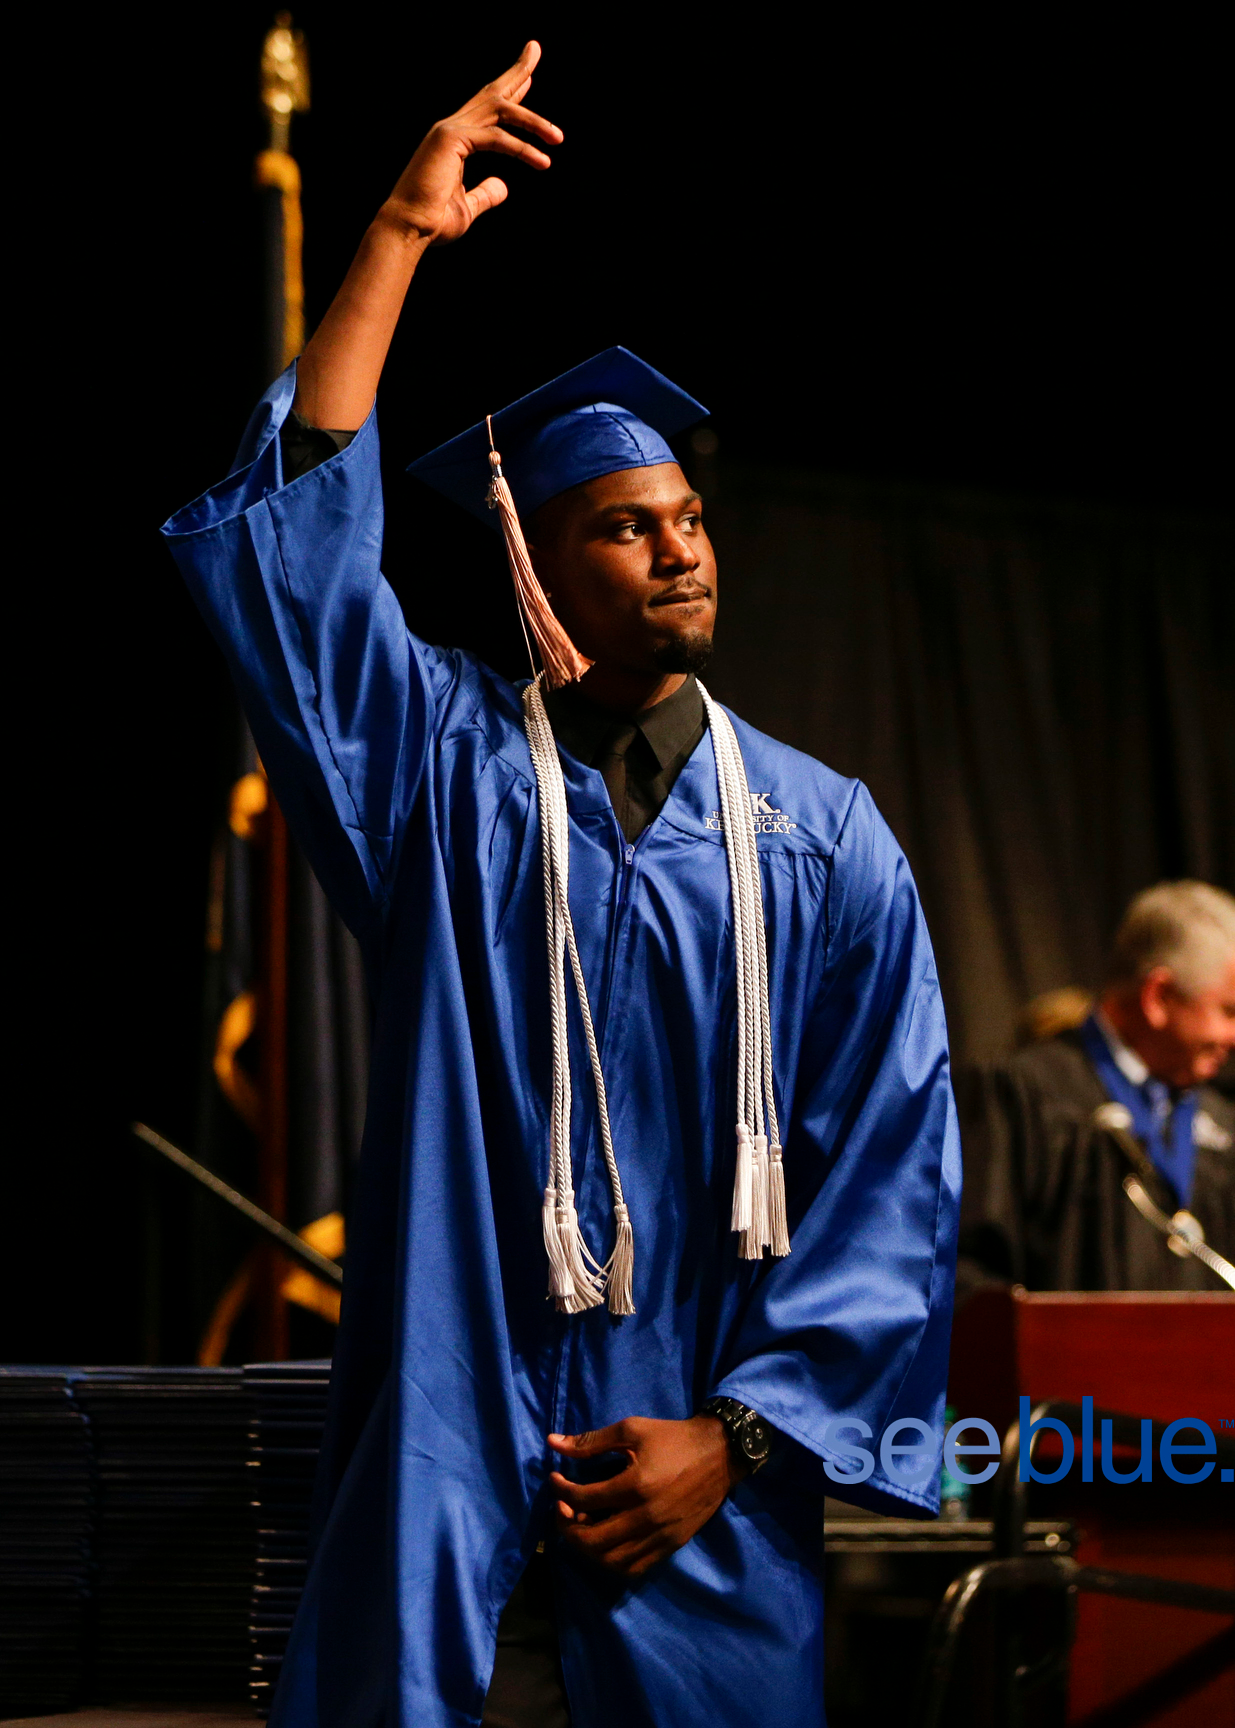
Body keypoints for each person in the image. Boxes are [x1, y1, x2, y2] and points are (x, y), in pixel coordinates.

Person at [163, 42, 960, 1728]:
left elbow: (890, 1187)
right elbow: (300, 572)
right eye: (621, 524)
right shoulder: (443, 780)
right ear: (536, 567)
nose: (677, 544)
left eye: (687, 516)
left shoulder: (829, 844)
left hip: (703, 1509)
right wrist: (388, 234)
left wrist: (730, 1440)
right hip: (451, 1448)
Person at [960, 880, 1235, 1293]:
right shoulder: (1025, 1095)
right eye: (1228, 1011)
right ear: (1158, 997)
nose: (1233, 1036)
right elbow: (970, 1277)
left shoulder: (1221, 1124)